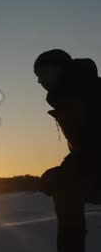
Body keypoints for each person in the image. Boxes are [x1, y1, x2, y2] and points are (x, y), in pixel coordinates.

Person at [35, 49, 101, 251]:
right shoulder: (74, 94)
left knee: (65, 186)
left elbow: (93, 146)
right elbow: (86, 148)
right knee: (64, 183)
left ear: (59, 70)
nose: (39, 82)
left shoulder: (87, 94)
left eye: (42, 74)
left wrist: (64, 173)